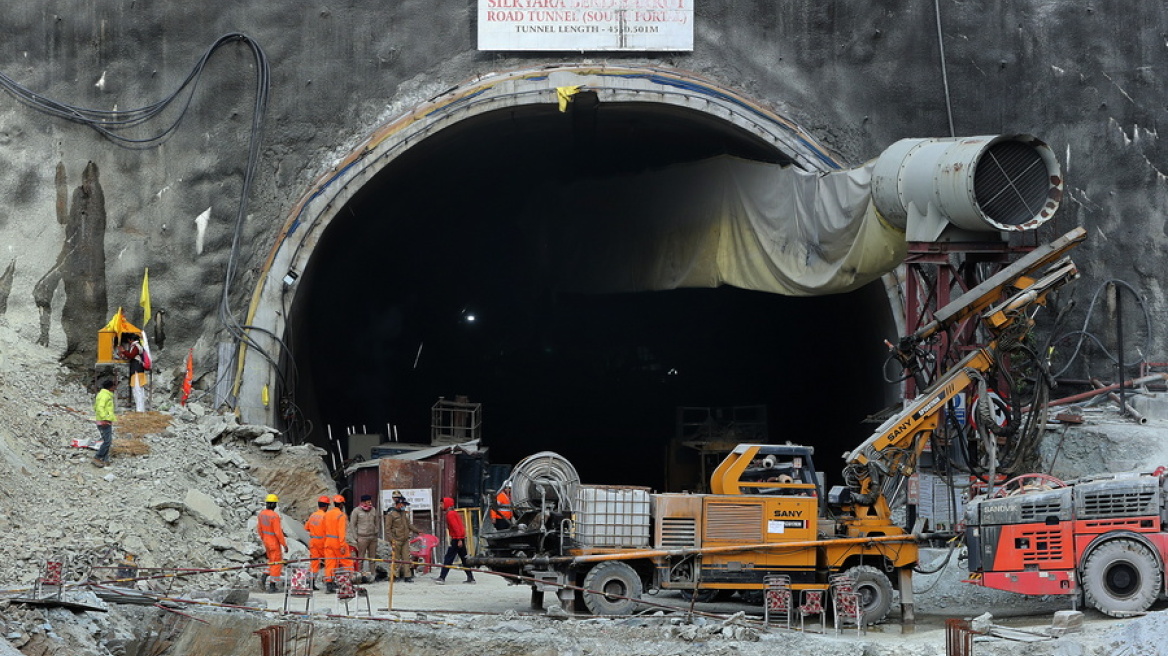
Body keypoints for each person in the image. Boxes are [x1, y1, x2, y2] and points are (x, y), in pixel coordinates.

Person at [384, 490, 424, 582]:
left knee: (406, 558)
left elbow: (409, 525)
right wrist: (391, 540)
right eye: (403, 505)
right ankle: (395, 576)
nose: (404, 507)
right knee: (396, 559)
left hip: (405, 539)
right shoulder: (391, 514)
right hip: (396, 540)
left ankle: (407, 576)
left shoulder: (403, 513)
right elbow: (387, 529)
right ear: (399, 504)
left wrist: (418, 531)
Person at [434, 497, 475, 584]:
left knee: (448, 558)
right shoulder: (453, 513)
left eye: (442, 504)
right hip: (460, 539)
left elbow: (456, 527)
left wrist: (459, 539)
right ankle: (471, 578)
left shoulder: (450, 514)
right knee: (464, 559)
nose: (440, 506)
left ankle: (442, 577)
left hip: (456, 539)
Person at [257, 493, 288, 593]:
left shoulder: (261, 514)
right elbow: (278, 532)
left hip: (266, 541)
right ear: (273, 504)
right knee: (277, 563)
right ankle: (272, 585)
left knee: (271, 561)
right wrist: (284, 544)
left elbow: (259, 529)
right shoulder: (274, 516)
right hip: (273, 542)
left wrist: (263, 539)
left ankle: (264, 576)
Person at [115, 332, 148, 412]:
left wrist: (123, 351)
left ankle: (140, 410)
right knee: (138, 390)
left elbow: (131, 355)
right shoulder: (136, 346)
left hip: (137, 370)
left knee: (137, 390)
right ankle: (140, 409)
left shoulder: (136, 346)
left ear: (130, 340)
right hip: (138, 370)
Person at [349, 494, 380, 577]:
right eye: (368, 502)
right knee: (361, 558)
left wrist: (376, 531)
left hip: (372, 537)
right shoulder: (356, 511)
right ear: (363, 502)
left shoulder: (373, 510)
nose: (370, 503)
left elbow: (377, 521)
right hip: (362, 537)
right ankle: (359, 574)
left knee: (372, 558)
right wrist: (356, 537)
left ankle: (373, 575)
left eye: (370, 501)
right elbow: (352, 524)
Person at [322, 493, 348, 593]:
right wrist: (342, 545)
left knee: (330, 563)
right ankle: (346, 582)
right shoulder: (341, 515)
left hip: (328, 541)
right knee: (345, 562)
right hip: (337, 542)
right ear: (341, 505)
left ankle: (329, 583)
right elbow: (341, 532)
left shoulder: (327, 514)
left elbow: (324, 528)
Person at [304, 495, 330, 589]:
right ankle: (329, 582)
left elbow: (306, 528)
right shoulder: (325, 516)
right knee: (329, 562)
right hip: (322, 542)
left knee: (314, 563)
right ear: (326, 506)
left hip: (313, 542)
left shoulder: (313, 515)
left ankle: (311, 583)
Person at [92, 378, 116, 468]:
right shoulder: (105, 396)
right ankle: (97, 457)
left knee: (107, 440)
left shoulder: (103, 394)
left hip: (104, 420)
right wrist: (105, 419)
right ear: (110, 387)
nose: (115, 388)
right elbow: (99, 408)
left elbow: (95, 407)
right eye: (114, 386)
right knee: (107, 441)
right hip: (104, 421)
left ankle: (105, 459)